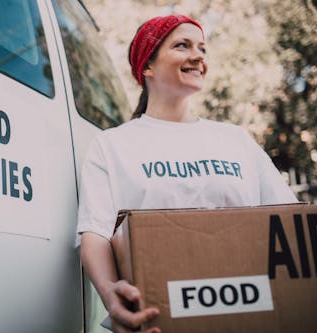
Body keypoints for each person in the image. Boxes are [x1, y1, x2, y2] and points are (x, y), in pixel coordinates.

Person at [76, 14, 297, 333]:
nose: (198, 56)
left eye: (202, 48)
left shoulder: (235, 140)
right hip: (159, 319)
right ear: (147, 66)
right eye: (182, 45)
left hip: (251, 313)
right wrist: (110, 294)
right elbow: (94, 232)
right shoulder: (112, 145)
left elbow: (287, 220)